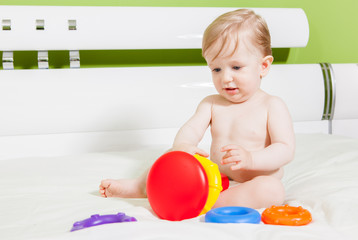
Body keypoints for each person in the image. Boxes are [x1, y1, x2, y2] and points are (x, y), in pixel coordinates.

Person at [99, 9, 295, 209]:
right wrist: (183, 146)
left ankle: (210, 202)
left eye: (236, 67)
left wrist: (251, 159)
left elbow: (285, 149)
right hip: (216, 177)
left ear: (263, 66)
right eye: (216, 69)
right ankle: (141, 187)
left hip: (254, 180)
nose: (225, 78)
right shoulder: (211, 103)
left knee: (272, 190)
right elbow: (191, 129)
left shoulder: (272, 105)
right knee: (172, 154)